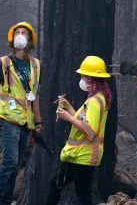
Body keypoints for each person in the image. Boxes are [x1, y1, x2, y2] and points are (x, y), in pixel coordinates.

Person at [0, 22, 43, 205]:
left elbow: (35, 95)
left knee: (15, 166)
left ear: (30, 40)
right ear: (12, 39)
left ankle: (4, 201)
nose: (20, 35)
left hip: (26, 124)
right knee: (10, 161)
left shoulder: (36, 66)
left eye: (24, 33)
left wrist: (38, 121)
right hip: (8, 120)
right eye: (17, 33)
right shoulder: (2, 63)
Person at [45, 55, 112, 205]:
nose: (81, 78)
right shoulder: (97, 98)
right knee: (55, 184)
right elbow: (85, 121)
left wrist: (68, 117)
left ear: (89, 78)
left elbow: (90, 129)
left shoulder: (95, 101)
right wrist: (69, 107)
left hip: (84, 156)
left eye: (83, 75)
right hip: (76, 155)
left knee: (83, 196)